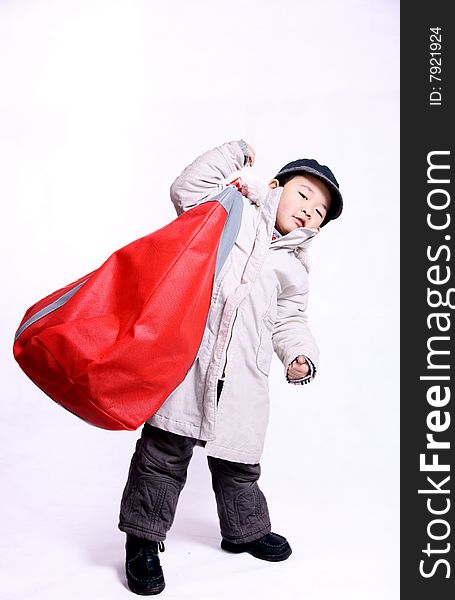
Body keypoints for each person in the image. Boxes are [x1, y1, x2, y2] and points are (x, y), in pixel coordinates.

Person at [118, 140, 343, 595]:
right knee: (163, 455)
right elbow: (185, 190)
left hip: (244, 373)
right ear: (276, 187)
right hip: (191, 360)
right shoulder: (229, 213)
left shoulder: (295, 267)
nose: (309, 212)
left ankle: (244, 531)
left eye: (320, 212)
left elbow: (290, 318)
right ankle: (142, 540)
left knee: (240, 462)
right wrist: (234, 154)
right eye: (304, 196)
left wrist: (300, 355)